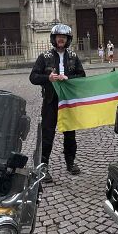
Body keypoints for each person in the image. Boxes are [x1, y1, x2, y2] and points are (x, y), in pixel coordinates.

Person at [29, 23, 85, 177]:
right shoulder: (44, 57)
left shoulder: (73, 57)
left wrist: (69, 78)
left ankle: (70, 162)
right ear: (53, 39)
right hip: (50, 101)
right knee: (48, 134)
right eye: (58, 37)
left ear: (68, 40)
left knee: (70, 134)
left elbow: (82, 76)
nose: (61, 40)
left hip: (68, 102)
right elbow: (33, 77)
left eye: (64, 37)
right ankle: (43, 166)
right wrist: (48, 78)